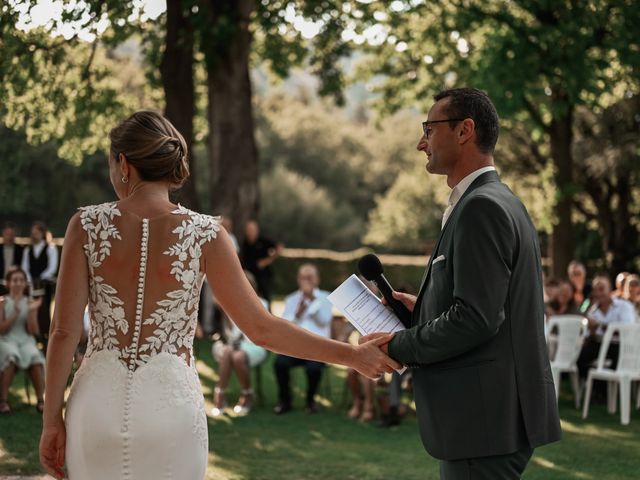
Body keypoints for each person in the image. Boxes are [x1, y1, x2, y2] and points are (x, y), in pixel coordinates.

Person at [38, 110, 399, 480]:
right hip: (171, 409)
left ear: (124, 164)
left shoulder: (85, 226)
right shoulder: (206, 234)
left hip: (96, 406)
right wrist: (352, 355)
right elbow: (262, 329)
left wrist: (52, 421)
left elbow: (63, 333)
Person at [363, 88, 561, 480]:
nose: (422, 142)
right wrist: (420, 308)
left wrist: (397, 344)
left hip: (484, 421)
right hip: (493, 418)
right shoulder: (501, 200)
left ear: (464, 130)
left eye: (429, 129)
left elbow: (476, 318)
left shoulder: (481, 207)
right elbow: (485, 302)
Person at [273, 263, 333, 414]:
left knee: (313, 369)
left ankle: (310, 400)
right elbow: (284, 325)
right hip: (294, 347)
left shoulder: (325, 297)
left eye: (310, 277)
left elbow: (324, 320)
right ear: (298, 280)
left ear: (317, 279)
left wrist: (313, 301)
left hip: (317, 348)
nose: (307, 281)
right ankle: (285, 400)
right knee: (280, 364)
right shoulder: (291, 299)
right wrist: (297, 313)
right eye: (303, 277)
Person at [211, 271, 267, 417]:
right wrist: (225, 311)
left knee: (238, 357)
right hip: (228, 345)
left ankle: (231, 395)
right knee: (230, 351)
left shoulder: (262, 304)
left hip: (253, 345)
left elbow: (254, 336)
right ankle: (230, 394)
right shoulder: (229, 304)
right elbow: (231, 336)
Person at [0, 268, 45, 414]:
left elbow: (33, 331)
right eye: (15, 280)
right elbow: (1, 329)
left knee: (35, 357)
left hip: (25, 339)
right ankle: (3, 401)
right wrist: (15, 314)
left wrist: (32, 312)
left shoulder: (30, 303)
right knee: (11, 355)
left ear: (25, 284)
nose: (18, 283)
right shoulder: (2, 302)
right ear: (8, 283)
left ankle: (41, 400)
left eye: (21, 280)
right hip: (7, 339)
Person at [576, 274, 636, 381]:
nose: (598, 293)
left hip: (621, 347)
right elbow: (586, 338)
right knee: (579, 358)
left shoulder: (624, 306)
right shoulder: (592, 312)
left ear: (610, 289)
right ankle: (595, 388)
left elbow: (627, 331)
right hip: (599, 345)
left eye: (601, 288)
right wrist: (592, 331)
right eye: (595, 290)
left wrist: (600, 326)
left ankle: (604, 390)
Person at [21, 221, 58, 349]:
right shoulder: (28, 250)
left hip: (44, 285)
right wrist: (30, 279)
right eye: (32, 233)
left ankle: (45, 337)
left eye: (36, 233)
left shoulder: (51, 248)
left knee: (44, 310)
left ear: (42, 233)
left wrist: (40, 278)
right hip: (31, 284)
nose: (33, 235)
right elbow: (25, 267)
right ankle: (32, 335)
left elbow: (52, 267)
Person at [240, 220, 282, 306]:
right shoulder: (244, 243)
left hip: (263, 275)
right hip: (250, 274)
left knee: (265, 296)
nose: (250, 232)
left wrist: (267, 260)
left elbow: (279, 247)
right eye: (248, 230)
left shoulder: (263, 240)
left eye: (252, 230)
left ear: (257, 230)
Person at [1, 222, 24, 295]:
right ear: (3, 234)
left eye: (11, 235)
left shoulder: (20, 250)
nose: (9, 237)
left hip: (15, 284)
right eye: (7, 234)